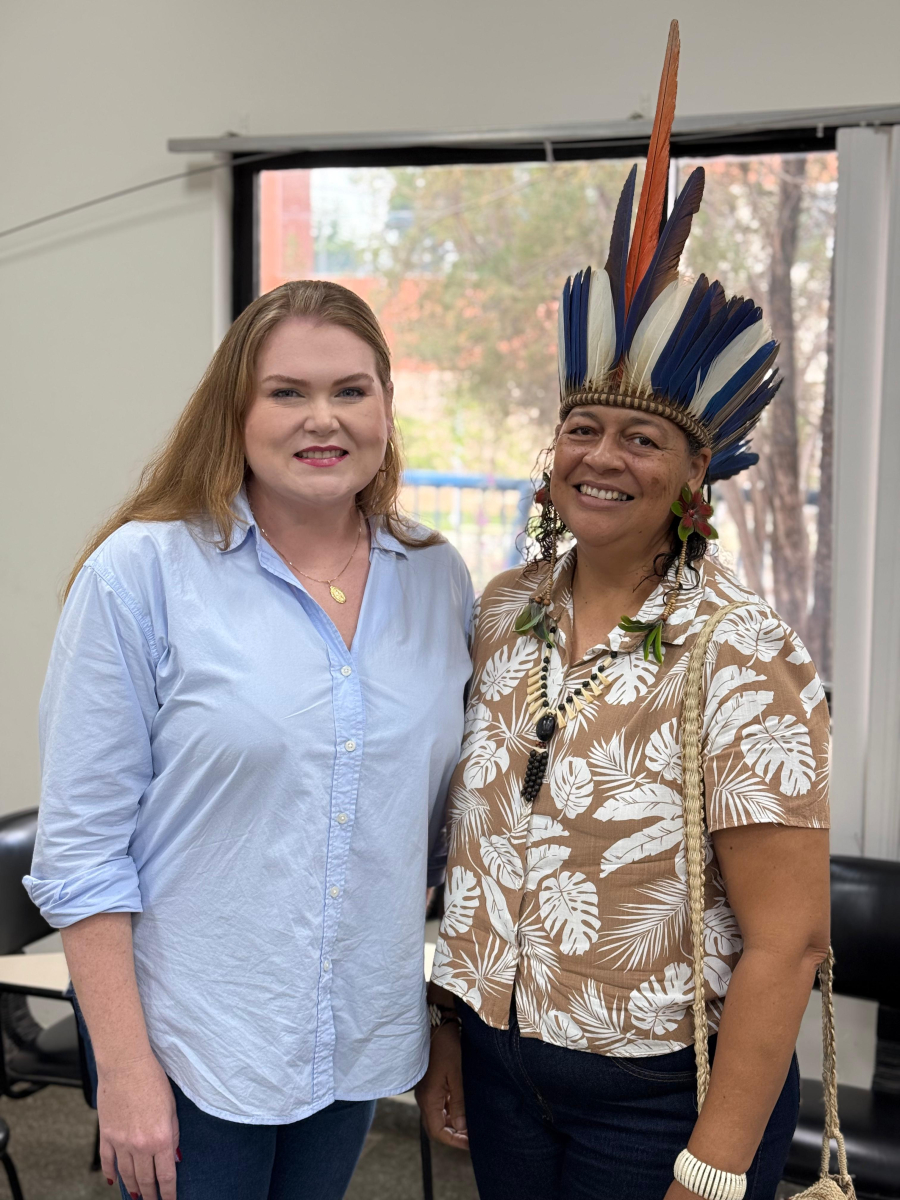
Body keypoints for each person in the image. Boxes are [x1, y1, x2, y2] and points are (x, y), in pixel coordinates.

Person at [417, 23, 830, 1200]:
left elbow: (789, 942)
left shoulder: (743, 655)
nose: (604, 457)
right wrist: (455, 1029)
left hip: (661, 1098)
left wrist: (713, 1165)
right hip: (502, 1071)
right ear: (550, 458)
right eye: (582, 431)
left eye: (643, 439)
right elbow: (480, 852)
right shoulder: (503, 614)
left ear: (694, 478)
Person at [24, 280, 473, 1200]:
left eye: (352, 390)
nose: (325, 419)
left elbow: (432, 828)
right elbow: (80, 855)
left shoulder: (437, 578)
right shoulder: (141, 574)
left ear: (387, 404)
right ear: (234, 409)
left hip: (352, 1033)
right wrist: (127, 1072)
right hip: (193, 1046)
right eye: (287, 392)